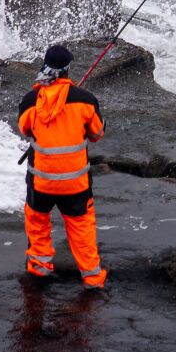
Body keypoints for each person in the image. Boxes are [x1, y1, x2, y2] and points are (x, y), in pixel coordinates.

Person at [18, 43, 107, 288]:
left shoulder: (31, 100)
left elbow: (24, 128)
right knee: (81, 229)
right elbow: (98, 133)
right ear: (68, 69)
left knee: (37, 223)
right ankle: (92, 278)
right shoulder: (85, 100)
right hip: (75, 184)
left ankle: (39, 268)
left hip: (41, 182)